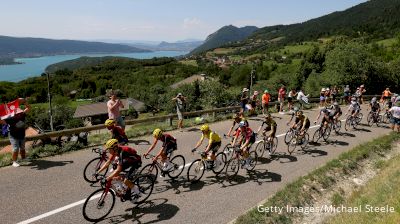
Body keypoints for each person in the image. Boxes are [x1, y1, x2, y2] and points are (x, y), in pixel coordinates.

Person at [0, 98, 30, 167]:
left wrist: (25, 101)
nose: (19, 111)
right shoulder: (9, 118)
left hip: (21, 133)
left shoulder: (22, 114)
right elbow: (1, 121)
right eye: (18, 110)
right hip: (13, 135)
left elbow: (28, 108)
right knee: (15, 148)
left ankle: (23, 158)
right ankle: (14, 162)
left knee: (22, 147)